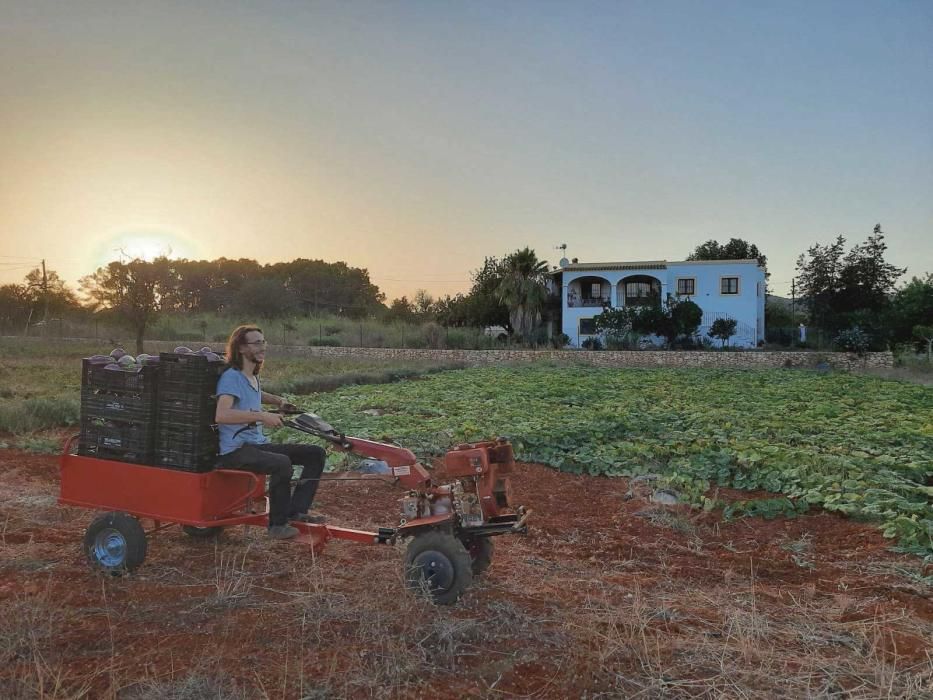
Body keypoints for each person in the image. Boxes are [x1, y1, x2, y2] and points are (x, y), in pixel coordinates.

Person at [215, 325, 326, 540]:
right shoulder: (232, 377)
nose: (262, 347)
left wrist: (278, 401)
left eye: (263, 342)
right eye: (256, 343)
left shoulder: (251, 376)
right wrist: (262, 416)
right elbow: (221, 415)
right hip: (235, 450)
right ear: (241, 348)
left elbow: (255, 392)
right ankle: (277, 525)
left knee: (316, 453)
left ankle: (296, 512)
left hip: (255, 444)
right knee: (281, 463)